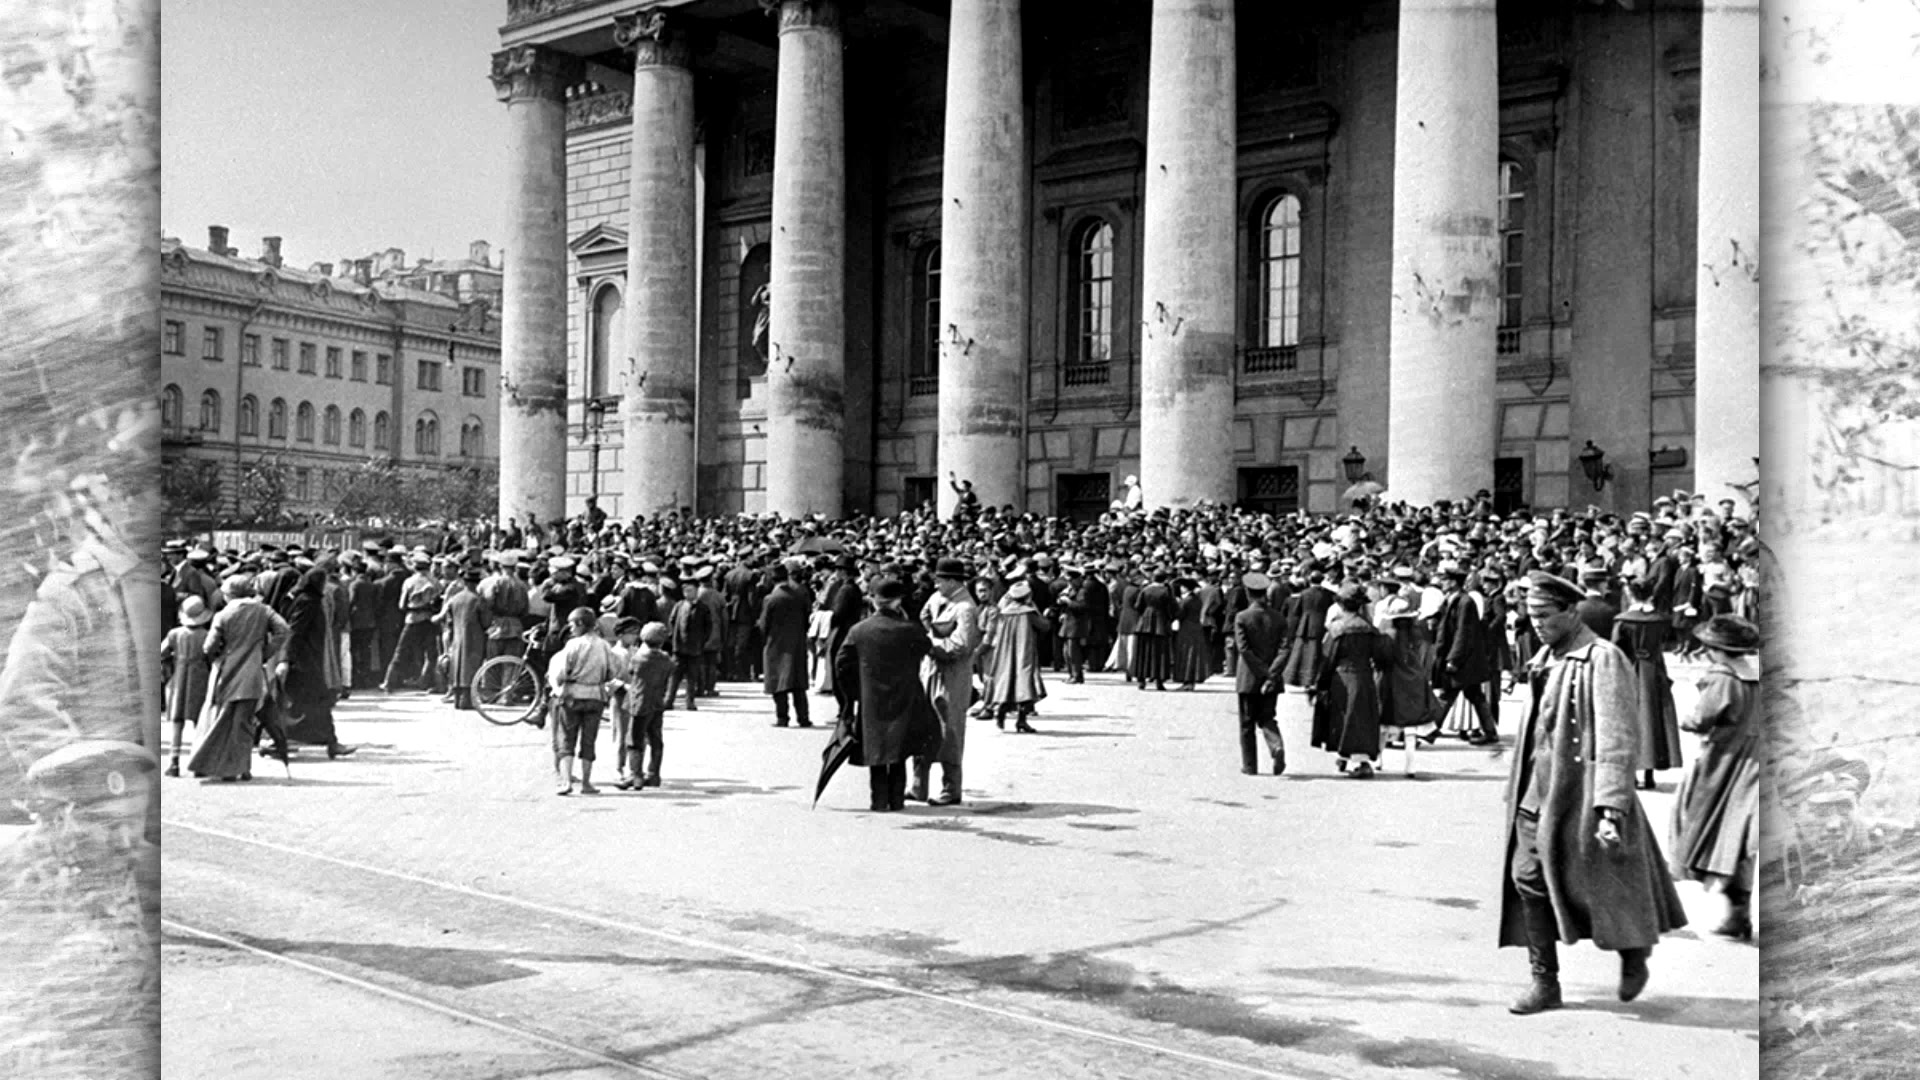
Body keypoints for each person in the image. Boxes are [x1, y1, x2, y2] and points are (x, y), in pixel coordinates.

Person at [1498, 570, 1687, 1016]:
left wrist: (1610, 806)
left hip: (1583, 794)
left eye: (1544, 616)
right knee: (1527, 880)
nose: (1537, 624)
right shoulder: (1546, 655)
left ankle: (1633, 952)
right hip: (1535, 793)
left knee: (1605, 885)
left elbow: (1618, 735)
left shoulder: (1602, 659)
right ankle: (1545, 982)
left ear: (1570, 611)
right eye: (1531, 617)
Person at [1669, 614, 1761, 942]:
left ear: (1717, 649)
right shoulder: (1755, 675)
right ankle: (1740, 914)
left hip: (1723, 761)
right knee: (1739, 838)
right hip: (1754, 759)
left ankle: (1736, 914)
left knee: (1703, 826)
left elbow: (1703, 717)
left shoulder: (1721, 677)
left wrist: (1687, 720)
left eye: (1709, 647)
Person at [834, 577, 938, 812]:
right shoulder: (909, 629)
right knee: (898, 748)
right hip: (905, 694)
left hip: (872, 697)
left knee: (876, 748)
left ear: (874, 601)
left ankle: (878, 800)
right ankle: (897, 799)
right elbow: (926, 647)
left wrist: (853, 693)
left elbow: (841, 664)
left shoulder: (859, 630)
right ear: (898, 602)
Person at [187, 574, 290, 782]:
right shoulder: (264, 610)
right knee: (244, 722)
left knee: (217, 718)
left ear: (230, 595)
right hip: (252, 673)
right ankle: (242, 767)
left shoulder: (223, 615)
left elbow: (209, 646)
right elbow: (283, 630)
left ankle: (211, 763)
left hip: (225, 672)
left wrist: (216, 656)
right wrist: (265, 653)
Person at [913, 557, 982, 804]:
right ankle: (918, 785)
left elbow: (961, 645)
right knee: (921, 725)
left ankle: (951, 789)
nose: (936, 585)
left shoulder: (965, 608)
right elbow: (923, 615)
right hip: (929, 669)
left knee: (949, 729)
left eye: (940, 580)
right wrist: (930, 633)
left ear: (953, 581)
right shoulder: (938, 599)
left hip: (952, 674)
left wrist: (930, 643)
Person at [1311, 582, 1394, 778]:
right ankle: (1348, 756)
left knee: (1343, 717)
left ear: (1340, 604)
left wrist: (1319, 683)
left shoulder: (1337, 629)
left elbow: (1328, 658)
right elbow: (1381, 657)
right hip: (1364, 676)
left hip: (1341, 677)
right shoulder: (1369, 629)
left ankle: (1360, 762)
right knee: (1362, 719)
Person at [1612, 577, 1683, 791]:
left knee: (1628, 719)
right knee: (1654, 719)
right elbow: (1672, 641)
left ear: (1630, 595)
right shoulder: (1661, 619)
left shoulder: (1623, 620)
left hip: (1630, 668)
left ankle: (1632, 774)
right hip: (1655, 669)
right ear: (1651, 595)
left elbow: (1616, 647)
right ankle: (1650, 774)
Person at [281, 566, 355, 757]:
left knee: (306, 704)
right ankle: (330, 743)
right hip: (304, 661)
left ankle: (285, 740)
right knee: (319, 701)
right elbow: (295, 631)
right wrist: (286, 659)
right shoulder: (308, 602)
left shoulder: (309, 599)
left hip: (308, 659)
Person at [548, 606, 616, 796]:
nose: (570, 629)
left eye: (572, 624)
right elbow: (612, 672)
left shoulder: (573, 645)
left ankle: (566, 781)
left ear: (580, 624)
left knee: (567, 739)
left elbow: (560, 673)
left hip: (572, 695)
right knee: (589, 741)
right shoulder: (604, 645)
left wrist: (557, 688)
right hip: (595, 696)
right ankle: (586, 783)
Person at [1430, 561, 1497, 746]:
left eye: (1445, 579)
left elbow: (1463, 633)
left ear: (1453, 582)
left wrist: (1454, 659)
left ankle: (1430, 731)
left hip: (1464, 659)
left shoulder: (1465, 602)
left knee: (1447, 695)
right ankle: (1490, 732)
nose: (1442, 582)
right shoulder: (1452, 599)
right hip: (1463, 658)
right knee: (1475, 695)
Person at [1231, 574, 1289, 776]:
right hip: (1272, 677)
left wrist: (1262, 673)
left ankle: (1250, 765)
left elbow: (1244, 650)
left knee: (1247, 723)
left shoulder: (1242, 617)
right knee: (1267, 717)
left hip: (1249, 676)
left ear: (1248, 594)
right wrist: (1271, 674)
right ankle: (1276, 746)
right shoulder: (1279, 617)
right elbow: (1284, 650)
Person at [1378, 594, 1442, 777]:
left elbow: (1383, 659)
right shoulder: (1416, 634)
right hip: (1413, 679)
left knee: (1384, 723)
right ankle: (1410, 766)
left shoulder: (1388, 635)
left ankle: (1378, 760)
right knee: (1411, 728)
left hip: (1391, 681)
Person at [982, 578, 1049, 732]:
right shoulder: (1028, 613)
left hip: (1005, 654)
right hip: (1023, 653)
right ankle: (1021, 720)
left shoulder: (1004, 612)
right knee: (1024, 685)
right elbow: (1044, 626)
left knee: (1006, 683)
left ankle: (1001, 712)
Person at [161, 595, 214, 778]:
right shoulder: (206, 635)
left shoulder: (175, 634)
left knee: (177, 721)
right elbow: (213, 655)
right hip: (201, 676)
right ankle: (198, 763)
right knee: (201, 721)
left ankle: (174, 761)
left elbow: (161, 652)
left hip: (180, 676)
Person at [758, 561, 813, 727]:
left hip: (776, 644)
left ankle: (782, 717)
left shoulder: (771, 599)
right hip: (797, 643)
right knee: (798, 683)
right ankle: (803, 717)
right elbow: (807, 618)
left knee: (778, 683)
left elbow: (764, 625)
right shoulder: (800, 595)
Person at [620, 621, 675, 789]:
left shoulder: (638, 658)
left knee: (634, 740)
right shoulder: (666, 660)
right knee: (655, 738)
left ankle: (635, 775)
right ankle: (654, 774)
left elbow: (630, 672)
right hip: (657, 702)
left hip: (639, 702)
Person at [379, 552, 443, 694]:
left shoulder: (409, 582)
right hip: (429, 619)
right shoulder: (436, 582)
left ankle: (389, 682)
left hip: (412, 618)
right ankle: (428, 682)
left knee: (400, 651)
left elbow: (402, 605)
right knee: (431, 653)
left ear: (415, 566)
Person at [440, 565, 491, 710]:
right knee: (472, 667)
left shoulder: (455, 599)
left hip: (457, 638)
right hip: (475, 638)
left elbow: (448, 621)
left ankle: (458, 698)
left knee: (457, 667)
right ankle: (467, 700)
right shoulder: (479, 600)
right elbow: (486, 622)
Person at [1130, 569, 1176, 692]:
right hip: (1160, 622)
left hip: (1145, 621)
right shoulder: (1166, 591)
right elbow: (1172, 608)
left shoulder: (1145, 590)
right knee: (1160, 653)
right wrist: (1170, 618)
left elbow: (1138, 606)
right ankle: (1159, 681)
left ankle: (1141, 680)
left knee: (1142, 652)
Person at [1171, 576, 1212, 690]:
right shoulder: (1196, 599)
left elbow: (1179, 614)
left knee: (1186, 654)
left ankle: (1187, 680)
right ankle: (1191, 681)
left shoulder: (1186, 601)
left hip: (1186, 629)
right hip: (1196, 627)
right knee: (1193, 654)